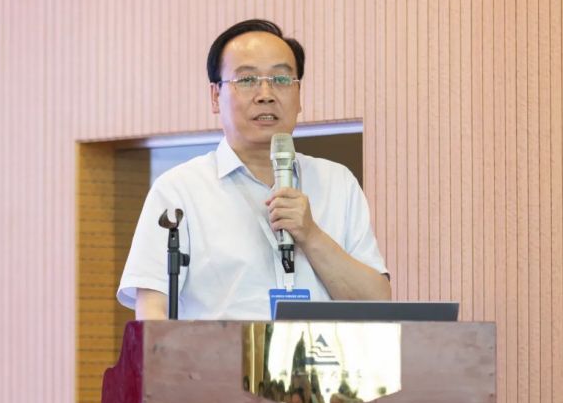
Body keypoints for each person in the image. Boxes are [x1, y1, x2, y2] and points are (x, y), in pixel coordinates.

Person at [117, 19, 391, 320]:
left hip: (320, 352)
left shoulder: (337, 182)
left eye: (281, 79)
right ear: (215, 96)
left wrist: (311, 235)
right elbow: (152, 312)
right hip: (220, 353)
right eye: (247, 80)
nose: (266, 94)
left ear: (299, 95)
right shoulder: (178, 190)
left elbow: (378, 305)